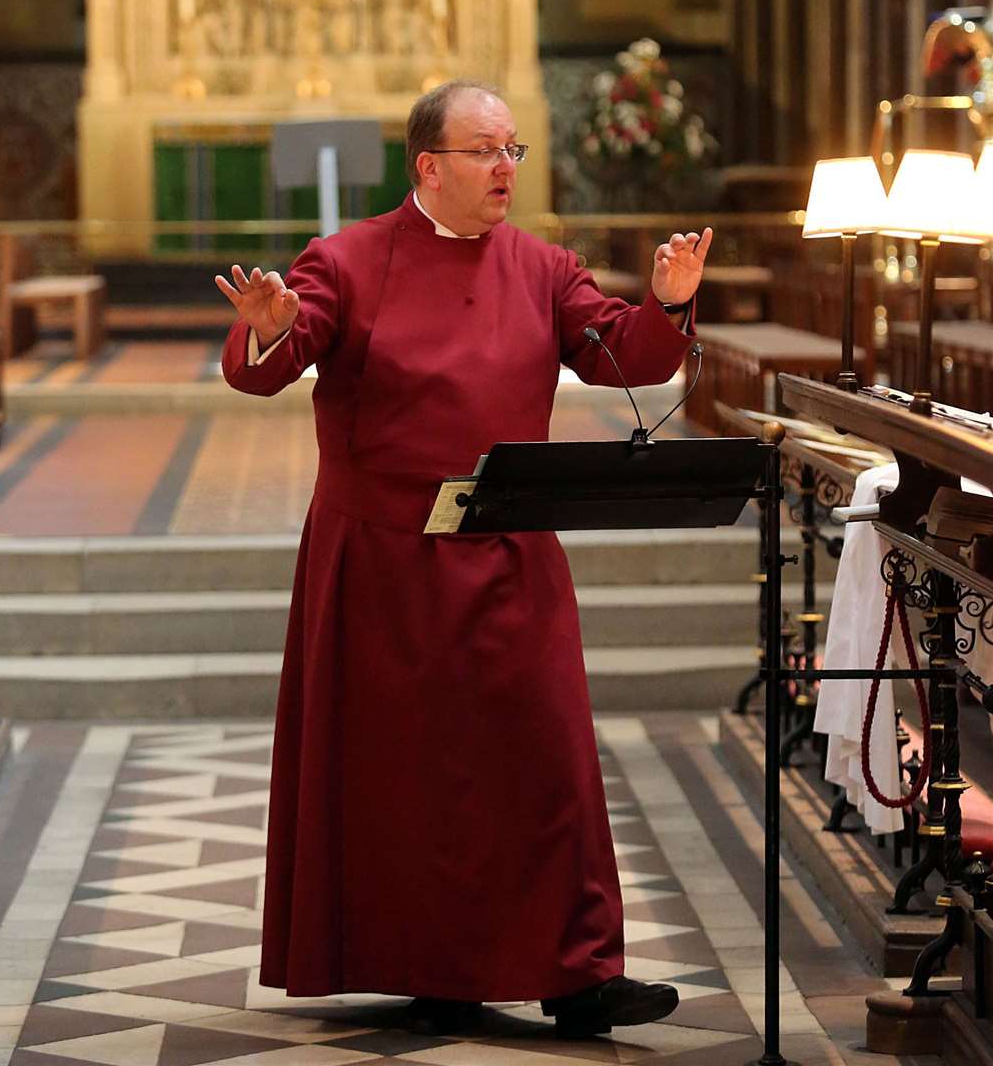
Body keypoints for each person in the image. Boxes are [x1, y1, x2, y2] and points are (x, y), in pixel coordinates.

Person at [217, 80, 712, 1039]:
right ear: (428, 166)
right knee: (403, 775)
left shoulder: (543, 265)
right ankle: (426, 963)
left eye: (515, 151)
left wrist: (665, 305)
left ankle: (579, 973)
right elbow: (277, 357)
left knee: (546, 759)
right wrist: (271, 325)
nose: (506, 169)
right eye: (486, 151)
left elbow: (622, 354)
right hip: (380, 565)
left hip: (509, 545)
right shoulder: (348, 258)